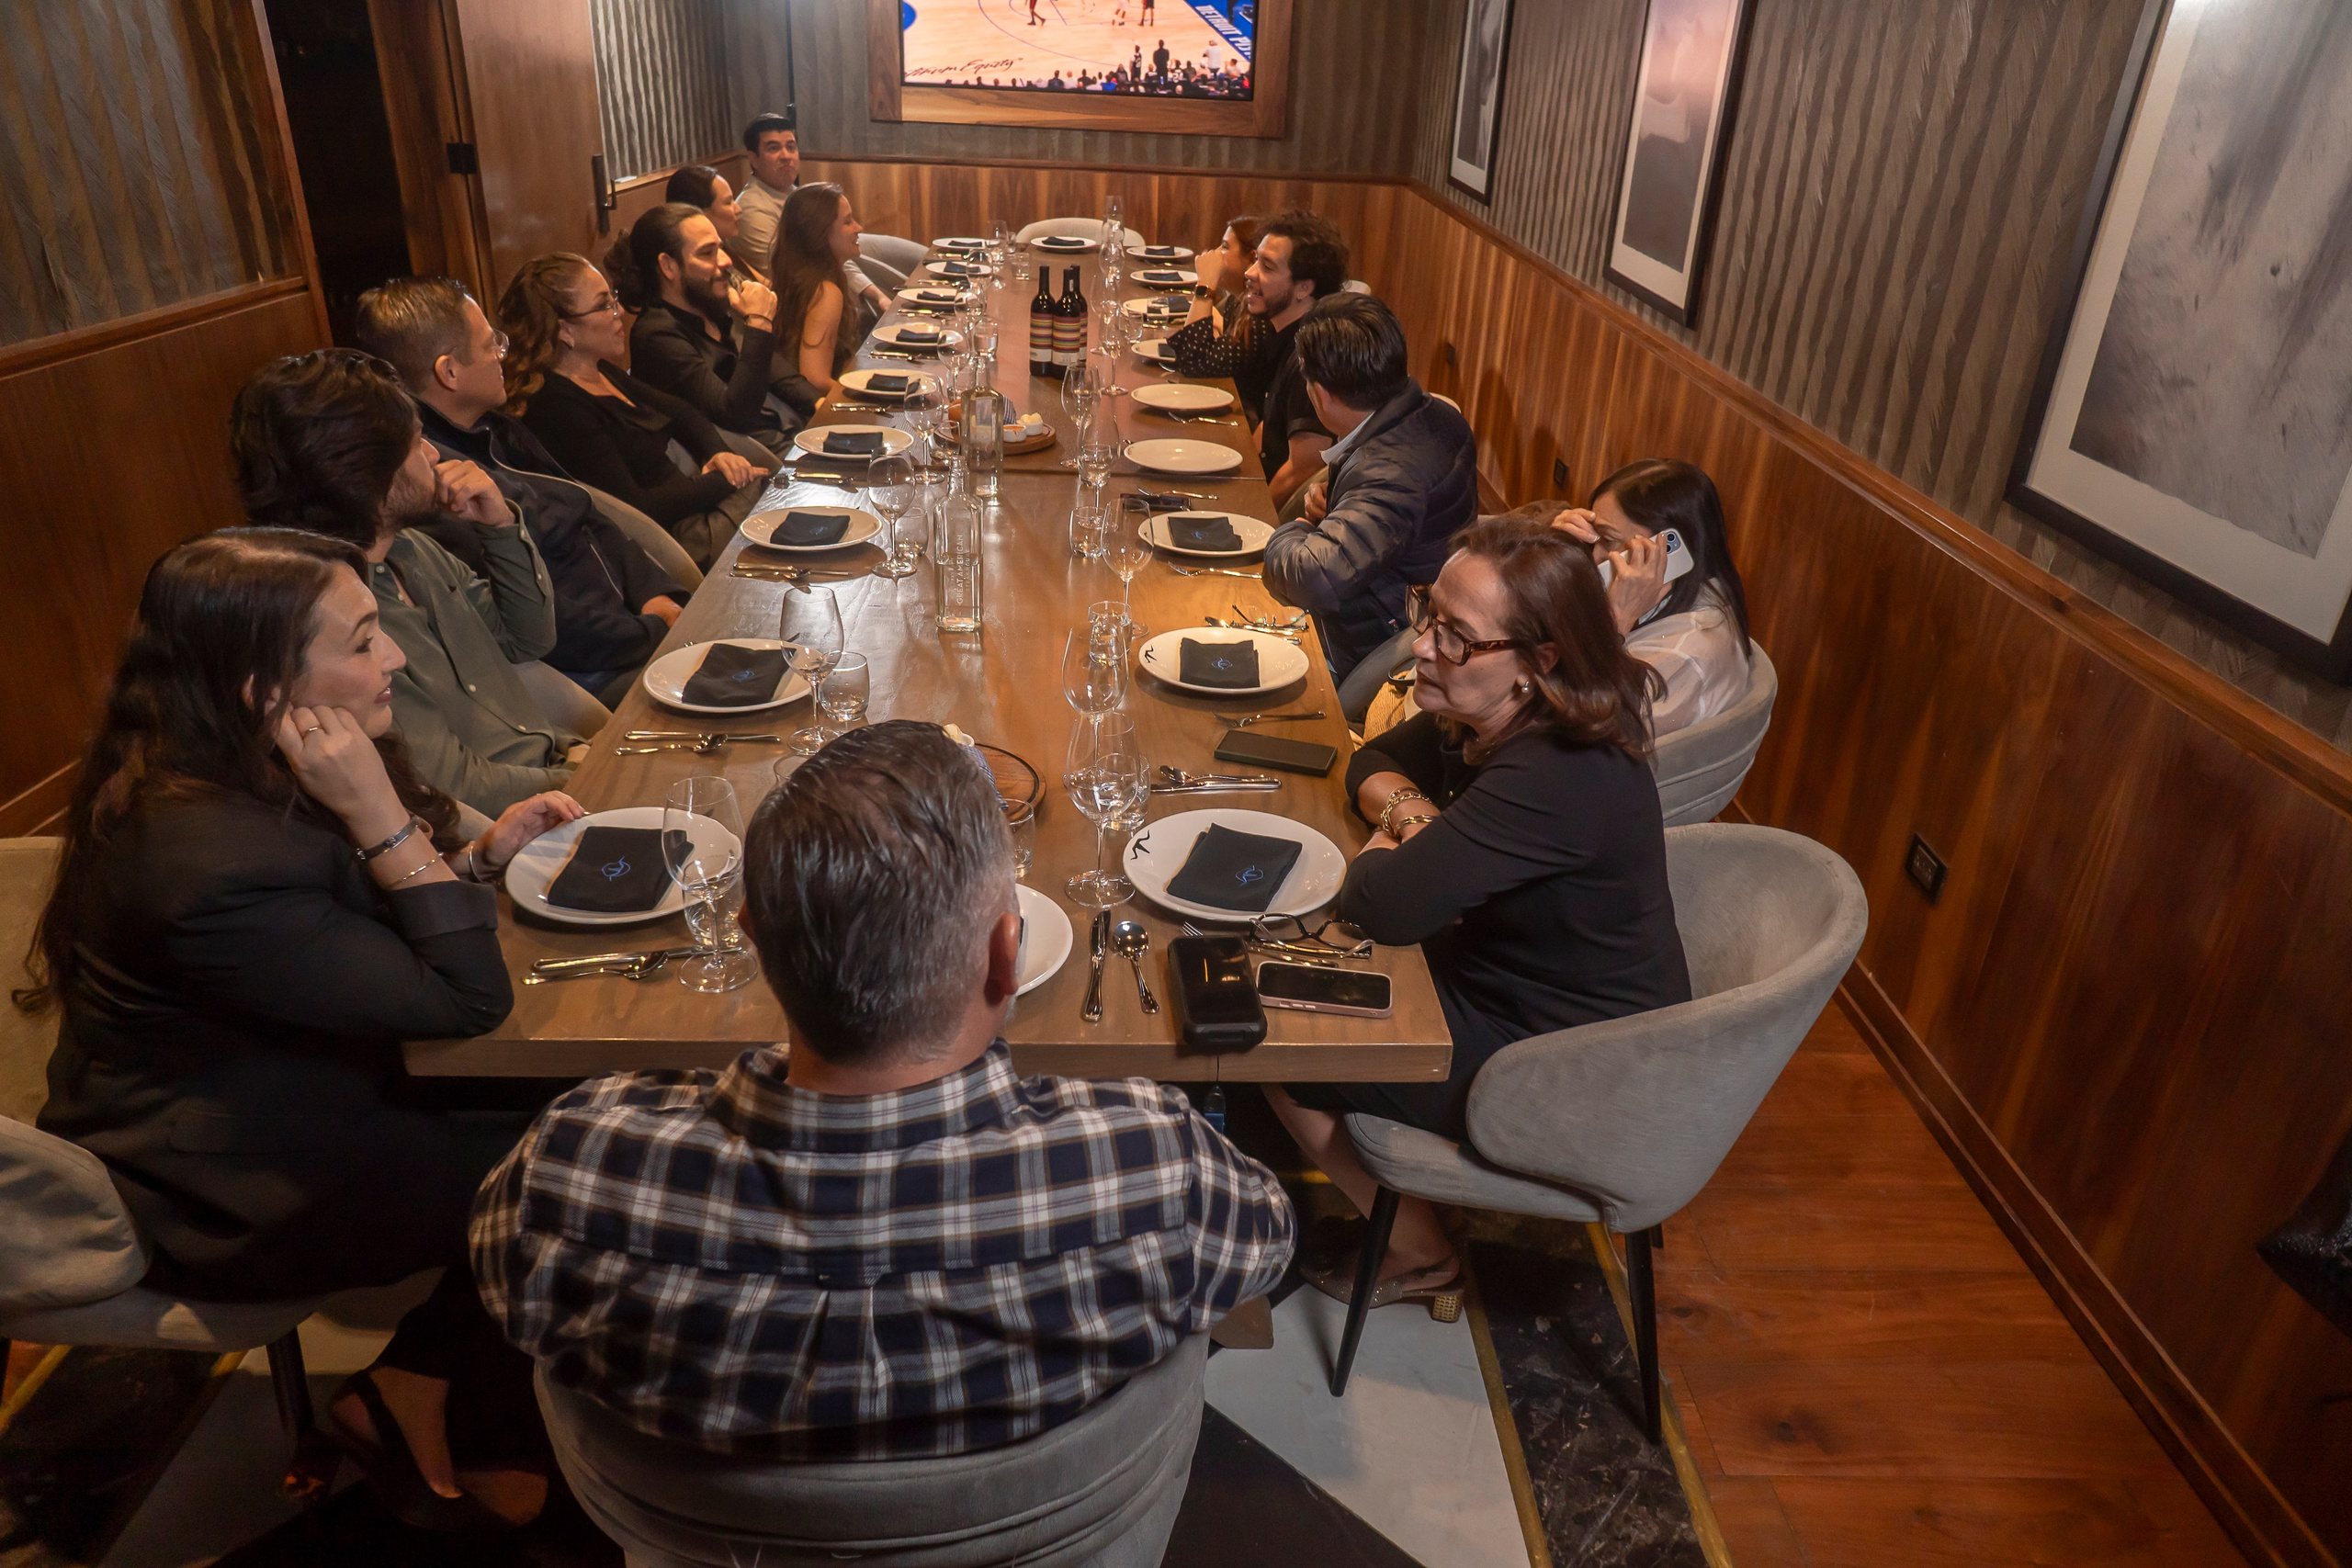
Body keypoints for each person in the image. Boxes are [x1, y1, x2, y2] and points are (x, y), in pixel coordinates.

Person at [472, 721, 1295, 1460]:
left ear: (755, 938)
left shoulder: (570, 1170)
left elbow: (498, 1274)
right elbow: (1267, 1240)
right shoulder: (1153, 1166)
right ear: (1006, 955)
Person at [28, 528, 584, 1530]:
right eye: (366, 640)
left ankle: (435, 1387)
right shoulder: (205, 854)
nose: (398, 659)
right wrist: (385, 824)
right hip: (225, 1187)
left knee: (581, 1110)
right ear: (261, 687)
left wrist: (479, 863)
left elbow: (338, 949)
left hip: (297, 1092)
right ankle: (426, 1395)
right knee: (581, 1158)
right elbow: (465, 1004)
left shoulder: (230, 764)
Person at [1267, 516, 1690, 1311]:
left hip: (1568, 1068)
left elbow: (1381, 904)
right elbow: (1375, 758)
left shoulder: (1559, 771)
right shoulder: (1510, 713)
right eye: (1429, 612)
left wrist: (1399, 857)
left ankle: (1422, 1253)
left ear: (1541, 662)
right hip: (1512, 991)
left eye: (1457, 637)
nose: (1422, 644)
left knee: (1286, 1041)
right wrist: (1419, 825)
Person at [231, 350, 582, 816]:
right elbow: (458, 788)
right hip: (515, 826)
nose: (435, 455)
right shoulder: (333, 620)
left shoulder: (412, 548)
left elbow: (528, 638)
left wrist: (499, 527)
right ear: (365, 472)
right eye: (418, 442)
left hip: (561, 767)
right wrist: (587, 774)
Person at [353, 276, 691, 703]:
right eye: (490, 343)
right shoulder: (433, 485)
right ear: (449, 371)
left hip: (636, 626)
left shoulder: (496, 427)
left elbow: (587, 510)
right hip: (590, 673)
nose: (502, 354)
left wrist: (657, 594)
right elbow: (536, 617)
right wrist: (651, 630)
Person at [498, 254, 773, 572]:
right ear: (565, 331)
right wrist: (722, 481)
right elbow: (637, 508)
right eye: (604, 305)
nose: (619, 313)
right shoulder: (557, 406)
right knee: (783, 501)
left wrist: (720, 454)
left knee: (788, 497)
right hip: (675, 544)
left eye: (612, 299)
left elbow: (682, 412)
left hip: (698, 507)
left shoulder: (601, 371)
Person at [1263, 293, 1478, 685]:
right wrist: (1335, 515)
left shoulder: (1390, 473)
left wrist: (1294, 531)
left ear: (1320, 394)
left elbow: (1311, 578)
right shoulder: (1435, 414)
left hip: (1367, 644)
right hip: (1394, 609)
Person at [1547, 460, 1754, 739]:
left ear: (1666, 554)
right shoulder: (1679, 595)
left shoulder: (1685, 655)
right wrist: (1555, 558)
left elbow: (1578, 726)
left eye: (1608, 540)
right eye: (1593, 538)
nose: (1594, 556)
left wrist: (1616, 618)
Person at [609, 202, 792, 454]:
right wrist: (759, 322)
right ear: (668, 266)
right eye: (707, 253)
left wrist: (815, 403)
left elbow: (768, 369)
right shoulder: (656, 335)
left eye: (721, 248)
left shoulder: (706, 305)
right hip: (751, 466)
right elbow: (736, 415)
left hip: (779, 437)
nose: (726, 261)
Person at [1240, 211, 1350, 510]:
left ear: (1304, 288)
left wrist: (1248, 512)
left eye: (1266, 266)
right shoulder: (1285, 333)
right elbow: (1271, 424)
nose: (1249, 273)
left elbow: (1303, 467)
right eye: (1255, 260)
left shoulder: (1312, 356)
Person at [730, 112, 888, 315]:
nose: (786, 156)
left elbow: (832, 256)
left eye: (791, 147)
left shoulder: (793, 193)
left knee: (904, 257)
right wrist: (875, 298)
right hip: (804, 306)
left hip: (830, 282)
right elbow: (797, 272)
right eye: (773, 148)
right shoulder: (752, 209)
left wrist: (877, 296)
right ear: (753, 159)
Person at [767, 182, 877, 418]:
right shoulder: (825, 292)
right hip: (819, 418)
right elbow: (814, 379)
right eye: (847, 222)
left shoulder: (801, 278)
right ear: (820, 234)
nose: (859, 227)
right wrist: (871, 398)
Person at [1160, 215, 1274, 415]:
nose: (1214, 254)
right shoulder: (1238, 303)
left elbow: (1192, 361)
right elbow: (1196, 348)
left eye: (1224, 247)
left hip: (1243, 426)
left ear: (1251, 258)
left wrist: (1205, 284)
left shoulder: (1259, 321)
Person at [664, 163, 754, 276]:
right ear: (700, 212)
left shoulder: (724, 246)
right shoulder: (700, 270)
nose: (738, 210)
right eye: (728, 203)